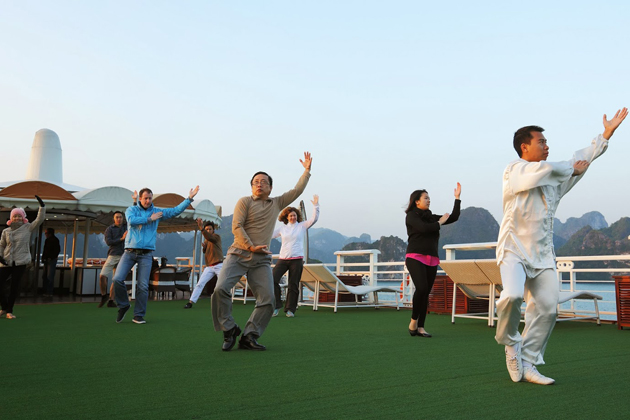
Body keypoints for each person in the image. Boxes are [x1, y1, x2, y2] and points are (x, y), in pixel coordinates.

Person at [496, 107, 628, 385]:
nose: (546, 146)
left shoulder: (555, 180)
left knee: (547, 308)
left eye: (546, 142)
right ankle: (511, 343)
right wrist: (570, 168)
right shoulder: (515, 170)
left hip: (543, 254)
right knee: (511, 296)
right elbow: (545, 171)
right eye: (541, 142)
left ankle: (529, 362)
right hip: (513, 250)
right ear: (524, 147)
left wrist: (606, 134)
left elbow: (579, 160)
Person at [211, 152, 313, 351]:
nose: (259, 184)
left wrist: (307, 171)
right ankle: (229, 328)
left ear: (270, 187)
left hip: (261, 261)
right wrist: (250, 246)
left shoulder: (276, 203)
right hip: (238, 254)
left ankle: (249, 336)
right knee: (220, 289)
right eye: (256, 182)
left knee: (268, 299)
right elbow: (237, 226)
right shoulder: (244, 202)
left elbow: (297, 190)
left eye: (264, 182)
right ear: (251, 186)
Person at [113, 186, 199, 324]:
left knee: (143, 286)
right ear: (140, 199)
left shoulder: (157, 212)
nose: (148, 201)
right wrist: (149, 219)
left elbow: (174, 211)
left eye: (150, 198)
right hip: (129, 252)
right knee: (117, 279)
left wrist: (189, 198)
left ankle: (138, 315)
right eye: (145, 198)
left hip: (146, 254)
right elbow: (131, 221)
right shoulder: (131, 210)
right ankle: (124, 305)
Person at [404, 183, 461, 338]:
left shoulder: (431, 217)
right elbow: (423, 228)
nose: (429, 200)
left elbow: (454, 217)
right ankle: (413, 321)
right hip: (415, 257)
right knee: (421, 288)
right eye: (426, 198)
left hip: (431, 259)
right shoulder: (411, 216)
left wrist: (457, 198)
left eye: (429, 198)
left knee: (426, 293)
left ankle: (421, 327)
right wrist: (439, 223)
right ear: (417, 201)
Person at [271, 194, 319, 318]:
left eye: (295, 215)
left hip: (297, 260)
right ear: (286, 217)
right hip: (283, 259)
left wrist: (315, 206)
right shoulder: (282, 229)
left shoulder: (302, 226)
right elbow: (269, 235)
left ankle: (290, 310)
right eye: (291, 215)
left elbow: (314, 219)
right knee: (272, 280)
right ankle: (276, 306)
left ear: (297, 216)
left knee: (293, 284)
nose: (293, 217)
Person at [0, 196, 46, 319]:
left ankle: (9, 310)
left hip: (20, 261)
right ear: (11, 218)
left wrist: (42, 206)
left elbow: (39, 219)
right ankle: (3, 307)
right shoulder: (6, 231)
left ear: (23, 217)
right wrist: (0, 257)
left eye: (19, 216)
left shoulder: (28, 227)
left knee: (14, 287)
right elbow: (2, 245)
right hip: (7, 260)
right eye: (15, 216)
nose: (17, 218)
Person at [184, 218, 223, 309]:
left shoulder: (216, 237)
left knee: (222, 284)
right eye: (207, 229)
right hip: (209, 266)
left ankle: (224, 301)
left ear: (213, 230)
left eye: (210, 229)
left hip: (219, 265)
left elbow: (210, 238)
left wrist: (201, 228)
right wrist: (205, 248)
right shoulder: (206, 240)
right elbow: (206, 251)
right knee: (200, 284)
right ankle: (191, 302)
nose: (208, 231)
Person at [98, 211, 128, 308]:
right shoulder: (109, 229)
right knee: (102, 275)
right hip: (113, 255)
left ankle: (111, 300)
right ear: (114, 219)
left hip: (124, 256)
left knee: (116, 279)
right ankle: (104, 295)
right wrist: (121, 239)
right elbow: (108, 242)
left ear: (123, 218)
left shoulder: (126, 227)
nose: (119, 219)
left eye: (120, 217)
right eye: (117, 217)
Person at [41, 228, 61, 297]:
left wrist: (48, 257)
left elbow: (56, 250)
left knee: (49, 276)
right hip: (49, 259)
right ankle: (47, 291)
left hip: (50, 260)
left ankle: (49, 291)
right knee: (47, 276)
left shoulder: (53, 240)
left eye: (46, 233)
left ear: (50, 234)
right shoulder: (52, 240)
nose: (45, 235)